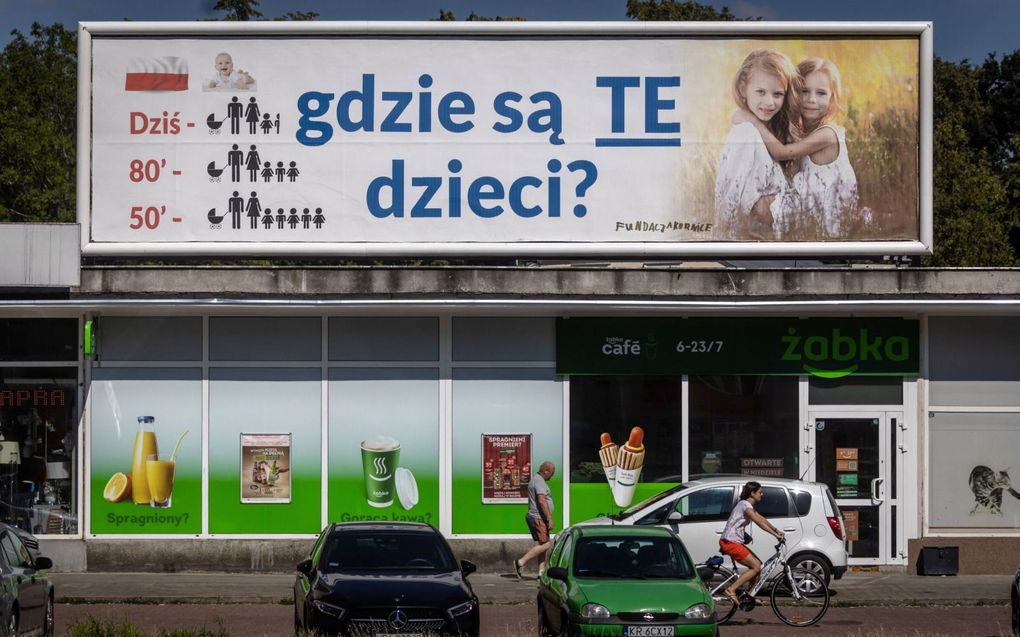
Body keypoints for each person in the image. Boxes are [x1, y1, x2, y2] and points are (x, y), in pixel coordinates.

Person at [733, 57, 860, 240]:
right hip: (809, 203)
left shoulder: (828, 134)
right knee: (758, 201)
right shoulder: (804, 131)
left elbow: (781, 152)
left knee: (760, 207)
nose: (811, 100)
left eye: (821, 93)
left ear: (833, 98)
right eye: (804, 91)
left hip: (828, 216)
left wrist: (753, 121)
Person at [714, 49, 801, 241]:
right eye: (760, 92)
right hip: (745, 245)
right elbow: (729, 196)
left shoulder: (767, 130)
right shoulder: (746, 133)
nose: (769, 102)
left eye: (778, 94)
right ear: (744, 88)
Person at [719, 481, 786, 604]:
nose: (762, 494)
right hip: (730, 542)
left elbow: (762, 519)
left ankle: (749, 596)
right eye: (760, 492)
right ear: (752, 493)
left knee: (758, 565)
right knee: (756, 567)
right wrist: (775, 535)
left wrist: (776, 530)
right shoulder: (745, 505)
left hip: (734, 542)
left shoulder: (747, 506)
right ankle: (730, 590)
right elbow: (758, 522)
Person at [514, 460, 556, 579]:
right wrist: (549, 518)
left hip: (538, 517)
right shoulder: (539, 481)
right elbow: (542, 501)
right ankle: (520, 563)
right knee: (547, 545)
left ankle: (541, 572)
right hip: (538, 517)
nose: (552, 476)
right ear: (545, 471)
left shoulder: (536, 479)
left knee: (542, 545)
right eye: (551, 473)